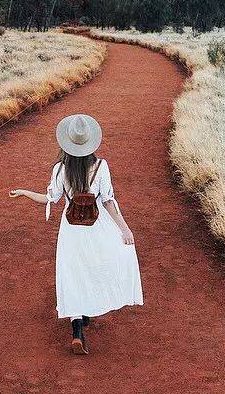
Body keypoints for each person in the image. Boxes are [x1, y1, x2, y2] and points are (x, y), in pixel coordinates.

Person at [10, 113, 142, 354]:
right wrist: (125, 229)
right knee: (95, 267)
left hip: (71, 229)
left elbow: (50, 198)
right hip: (97, 225)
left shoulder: (60, 169)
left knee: (72, 273)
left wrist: (24, 192)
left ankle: (77, 330)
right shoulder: (101, 167)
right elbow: (109, 201)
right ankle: (89, 309)